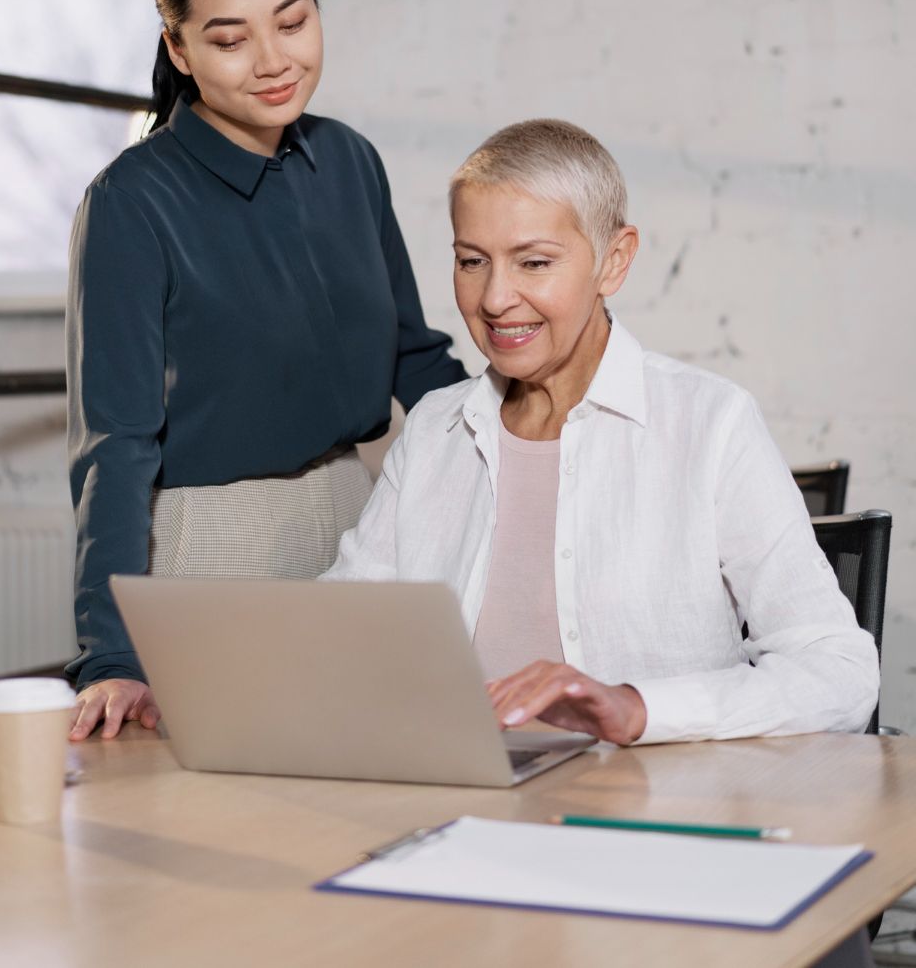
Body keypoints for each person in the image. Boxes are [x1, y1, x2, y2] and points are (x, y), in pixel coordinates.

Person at [325, 119, 879, 744]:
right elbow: (341, 634)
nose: (496, 298)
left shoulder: (710, 424)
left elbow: (840, 673)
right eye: (471, 261)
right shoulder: (434, 430)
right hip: (462, 798)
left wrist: (639, 708)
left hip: (647, 812)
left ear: (613, 262)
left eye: (534, 262)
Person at [67, 0, 465, 740]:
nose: (273, 60)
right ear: (179, 48)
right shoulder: (133, 202)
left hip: (362, 526)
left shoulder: (350, 160)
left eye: (293, 20)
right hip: (212, 552)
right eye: (228, 38)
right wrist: (112, 655)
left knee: (375, 797)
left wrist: (551, 419)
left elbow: (414, 360)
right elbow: (117, 443)